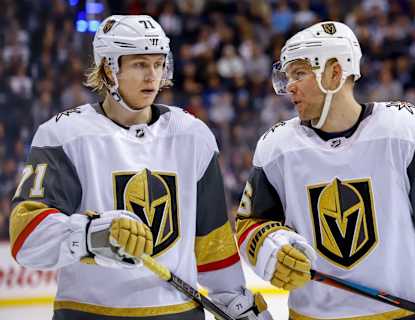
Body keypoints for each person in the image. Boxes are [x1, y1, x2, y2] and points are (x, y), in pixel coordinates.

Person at [10, 15, 271, 320]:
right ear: (108, 68)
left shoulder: (192, 136)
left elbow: (212, 241)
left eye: (158, 64)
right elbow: (26, 237)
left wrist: (236, 303)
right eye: (139, 64)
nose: (152, 76)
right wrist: (91, 236)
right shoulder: (64, 136)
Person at [236, 21, 415, 319]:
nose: (290, 86)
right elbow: (250, 224)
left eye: (299, 73)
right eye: (287, 77)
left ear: (335, 72)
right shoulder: (276, 148)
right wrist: (270, 247)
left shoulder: (406, 130)